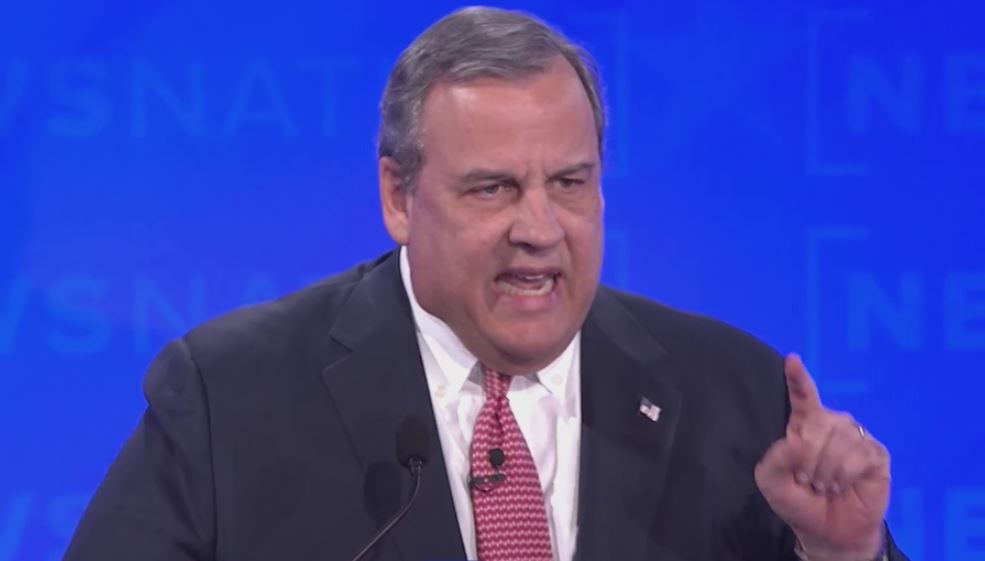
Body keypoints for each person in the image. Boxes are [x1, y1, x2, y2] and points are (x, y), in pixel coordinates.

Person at [64, 6, 909, 561]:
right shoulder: (231, 397)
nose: (539, 227)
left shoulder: (735, 394)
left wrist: (844, 554)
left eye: (569, 184)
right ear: (398, 196)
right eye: (492, 188)